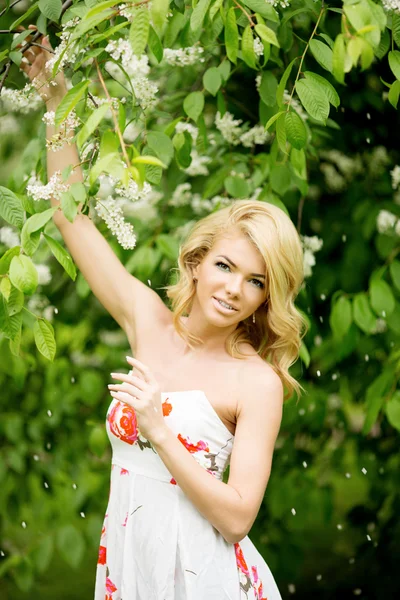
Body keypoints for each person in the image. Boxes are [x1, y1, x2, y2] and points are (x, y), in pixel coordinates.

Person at [20, 31, 307, 600]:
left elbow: (237, 518)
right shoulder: (146, 319)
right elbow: (72, 219)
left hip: (203, 578)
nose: (235, 290)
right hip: (131, 559)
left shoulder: (256, 381)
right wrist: (57, 101)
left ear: (267, 297)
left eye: (256, 281)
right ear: (197, 263)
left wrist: (157, 427)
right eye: (225, 266)